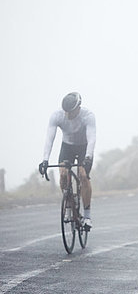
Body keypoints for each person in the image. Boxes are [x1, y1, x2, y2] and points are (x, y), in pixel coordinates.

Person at [38, 92, 96, 229]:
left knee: (83, 175)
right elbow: (49, 138)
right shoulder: (57, 115)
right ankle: (69, 207)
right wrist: (45, 160)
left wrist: (88, 157)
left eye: (70, 112)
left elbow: (92, 138)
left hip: (84, 147)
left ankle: (87, 216)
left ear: (78, 108)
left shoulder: (88, 116)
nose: (67, 115)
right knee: (63, 174)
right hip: (67, 147)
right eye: (65, 112)